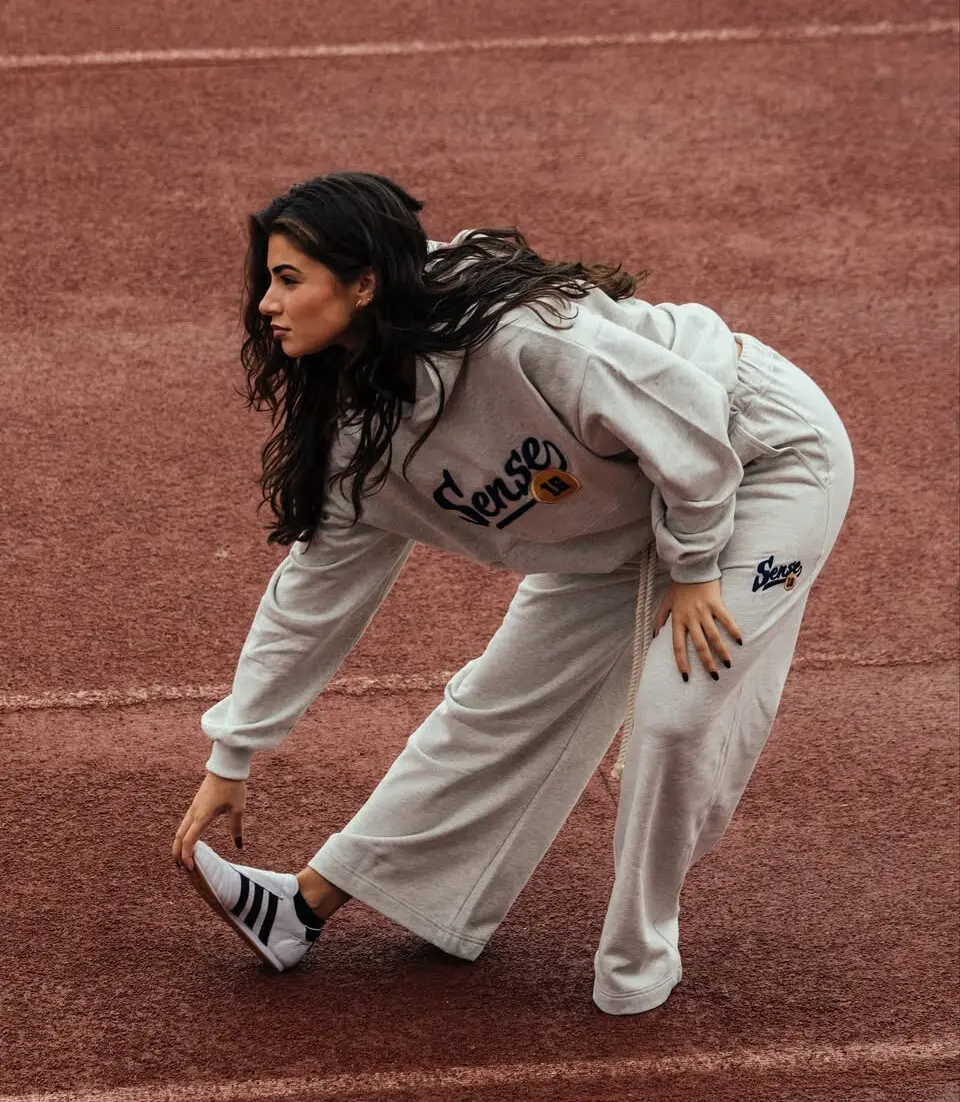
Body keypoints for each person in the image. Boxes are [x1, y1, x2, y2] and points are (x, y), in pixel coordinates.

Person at [172, 170, 855, 1015]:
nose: (265, 305)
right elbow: (313, 594)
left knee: (676, 712)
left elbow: (688, 415)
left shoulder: (517, 336)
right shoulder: (360, 436)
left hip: (758, 458)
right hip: (620, 518)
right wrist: (234, 752)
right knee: (495, 704)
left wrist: (693, 568)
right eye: (266, 281)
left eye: (287, 280)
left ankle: (638, 959)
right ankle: (300, 910)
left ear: (364, 283)